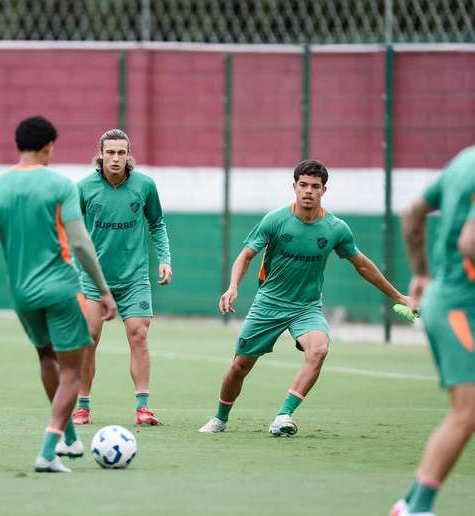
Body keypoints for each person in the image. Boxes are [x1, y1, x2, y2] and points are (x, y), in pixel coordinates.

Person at [198, 159, 412, 437]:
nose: (308, 191)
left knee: (319, 350)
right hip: (269, 304)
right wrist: (232, 287)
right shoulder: (275, 220)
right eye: (303, 185)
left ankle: (283, 415)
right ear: (295, 187)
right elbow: (246, 255)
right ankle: (220, 418)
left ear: (324, 190)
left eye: (315, 186)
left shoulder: (336, 228)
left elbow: (362, 265)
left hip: (306, 307)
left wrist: (399, 297)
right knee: (240, 366)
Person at [0, 116, 117, 473]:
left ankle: (69, 438)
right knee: (73, 373)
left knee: (47, 358)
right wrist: (103, 290)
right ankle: (48, 451)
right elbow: (80, 243)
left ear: (18, 145)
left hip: (22, 296)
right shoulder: (60, 185)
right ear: (49, 146)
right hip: (61, 289)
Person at [390, 147, 475, 516]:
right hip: (461, 307)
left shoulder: (464, 160)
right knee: (468, 411)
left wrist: (422, 274)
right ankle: (417, 508)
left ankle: (409, 504)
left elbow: (412, 214)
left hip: (447, 298)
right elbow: (470, 243)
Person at [72, 129, 172, 426]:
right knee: (88, 339)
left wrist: (165, 259)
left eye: (121, 153)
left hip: (134, 278)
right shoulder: (83, 188)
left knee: (139, 335)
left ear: (128, 155)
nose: (115, 158)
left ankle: (143, 408)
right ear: (100, 154)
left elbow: (157, 223)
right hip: (93, 280)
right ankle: (82, 407)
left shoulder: (145, 185)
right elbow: (71, 230)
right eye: (110, 152)